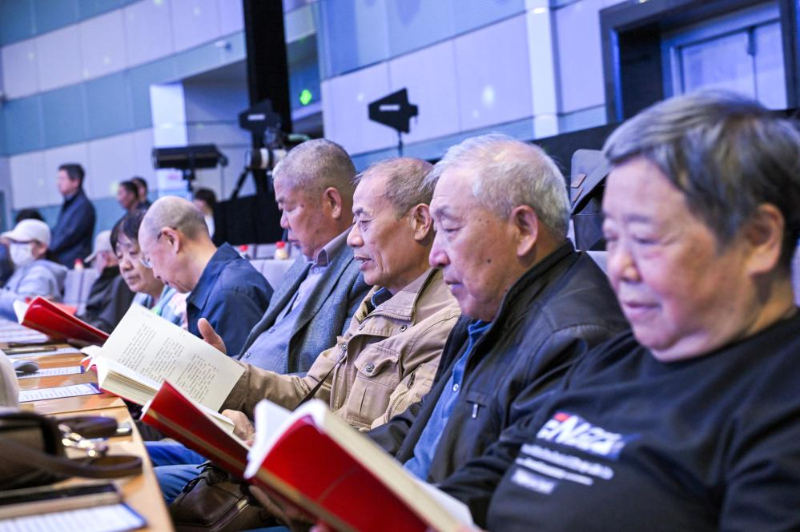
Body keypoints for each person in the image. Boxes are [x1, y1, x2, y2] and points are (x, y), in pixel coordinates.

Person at [438, 92, 800, 530]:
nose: (620, 268)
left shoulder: (779, 405)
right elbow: (490, 473)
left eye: (646, 239)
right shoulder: (615, 357)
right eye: (613, 238)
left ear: (759, 238)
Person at [152, 157, 461, 503]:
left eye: (363, 222)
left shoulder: (443, 324)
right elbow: (310, 391)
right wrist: (222, 374)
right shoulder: (378, 297)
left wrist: (264, 444)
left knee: (141, 488)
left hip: (319, 492)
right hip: (292, 472)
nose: (353, 238)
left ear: (421, 222)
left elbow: (387, 446)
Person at [364, 134, 628, 484]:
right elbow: (424, 421)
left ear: (524, 229)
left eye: (450, 228)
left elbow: (502, 492)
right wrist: (330, 458)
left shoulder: (574, 340)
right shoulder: (485, 307)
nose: (435, 255)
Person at [138, 196, 272, 355]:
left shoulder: (228, 294)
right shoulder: (224, 285)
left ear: (171, 239)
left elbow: (245, 370)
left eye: (149, 259)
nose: (155, 274)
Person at [112, 210, 186, 327]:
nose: (124, 266)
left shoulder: (181, 304)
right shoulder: (140, 299)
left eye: (133, 252)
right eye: (120, 256)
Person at [0, 219, 67, 320]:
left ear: (42, 247)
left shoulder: (41, 272)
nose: (15, 247)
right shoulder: (24, 269)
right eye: (13, 242)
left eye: (22, 242)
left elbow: (26, 308)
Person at [77, 230, 135, 332]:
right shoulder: (110, 281)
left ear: (104, 256)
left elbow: (108, 325)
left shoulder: (121, 282)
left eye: (95, 259)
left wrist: (76, 329)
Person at [50, 163, 96, 267]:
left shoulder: (83, 206)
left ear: (75, 182)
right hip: (64, 262)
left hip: (74, 264)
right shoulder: (69, 205)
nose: (58, 183)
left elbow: (69, 235)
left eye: (62, 179)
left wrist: (48, 249)